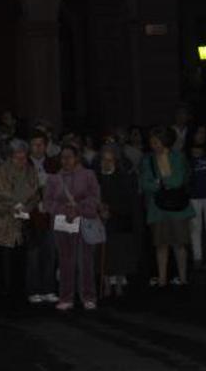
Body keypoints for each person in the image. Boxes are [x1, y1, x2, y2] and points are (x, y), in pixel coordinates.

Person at [45, 145, 102, 310]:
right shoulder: (54, 179)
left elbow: (95, 197)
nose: (66, 160)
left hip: (83, 221)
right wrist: (64, 210)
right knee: (65, 261)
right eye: (63, 157)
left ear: (77, 158)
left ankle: (89, 296)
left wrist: (78, 209)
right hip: (62, 224)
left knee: (86, 261)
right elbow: (48, 203)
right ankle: (66, 297)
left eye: (69, 156)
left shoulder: (88, 175)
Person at [0, 139, 39, 297]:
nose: (22, 161)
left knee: (18, 265)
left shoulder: (31, 171)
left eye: (24, 157)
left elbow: (35, 195)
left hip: (20, 228)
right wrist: (5, 208)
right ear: (10, 157)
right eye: (18, 157)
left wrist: (29, 206)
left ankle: (16, 299)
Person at [140, 127, 194, 287]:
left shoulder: (178, 157)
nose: (153, 145)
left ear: (165, 141)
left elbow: (178, 180)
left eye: (156, 141)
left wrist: (159, 182)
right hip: (158, 207)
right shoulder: (147, 159)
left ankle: (183, 278)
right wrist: (163, 183)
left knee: (179, 244)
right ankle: (162, 279)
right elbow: (144, 184)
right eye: (152, 142)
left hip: (178, 207)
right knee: (160, 244)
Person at [97, 145, 140, 297]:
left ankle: (120, 283)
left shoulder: (123, 178)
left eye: (110, 160)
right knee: (106, 253)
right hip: (102, 222)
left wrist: (111, 209)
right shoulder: (97, 177)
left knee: (121, 253)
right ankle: (107, 284)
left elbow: (129, 202)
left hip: (121, 221)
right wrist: (100, 209)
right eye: (104, 160)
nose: (106, 163)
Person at [25, 131, 60, 305]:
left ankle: (49, 288)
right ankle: (33, 289)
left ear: (46, 146)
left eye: (41, 144)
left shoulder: (53, 164)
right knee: (33, 254)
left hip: (50, 216)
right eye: (34, 144)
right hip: (30, 216)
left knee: (50, 253)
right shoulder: (24, 164)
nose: (38, 148)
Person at [185, 125, 206, 268]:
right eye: (198, 132)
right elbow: (184, 177)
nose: (201, 135)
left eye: (203, 132)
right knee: (195, 228)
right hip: (193, 196)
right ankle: (197, 258)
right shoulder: (186, 154)